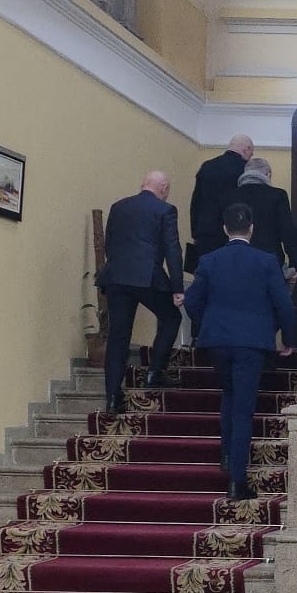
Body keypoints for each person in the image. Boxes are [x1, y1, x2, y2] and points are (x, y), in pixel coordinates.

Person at [185, 203, 297, 501]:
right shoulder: (266, 261)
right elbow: (283, 304)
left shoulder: (209, 260)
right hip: (251, 342)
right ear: (251, 228)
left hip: (217, 342)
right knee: (243, 408)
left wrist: (209, 324)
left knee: (229, 394)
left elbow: (192, 301)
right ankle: (237, 480)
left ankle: (226, 454)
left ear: (225, 229)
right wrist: (287, 338)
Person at [99, 171, 185, 415]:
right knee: (171, 317)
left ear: (143, 185)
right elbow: (172, 249)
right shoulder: (166, 210)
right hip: (148, 277)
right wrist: (177, 288)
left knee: (118, 336)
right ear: (164, 188)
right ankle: (154, 372)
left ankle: (113, 397)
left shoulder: (118, 206)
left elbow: (109, 243)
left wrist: (116, 268)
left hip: (116, 277)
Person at [189, 134, 253, 271]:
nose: (250, 158)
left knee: (207, 274)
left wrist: (195, 232)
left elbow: (196, 202)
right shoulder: (244, 170)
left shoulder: (207, 166)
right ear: (246, 149)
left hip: (205, 232)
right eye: (251, 154)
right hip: (232, 231)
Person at [233, 156, 297, 269]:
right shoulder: (278, 195)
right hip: (270, 257)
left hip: (236, 256)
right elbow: (286, 230)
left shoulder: (230, 196)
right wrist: (295, 262)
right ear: (268, 174)